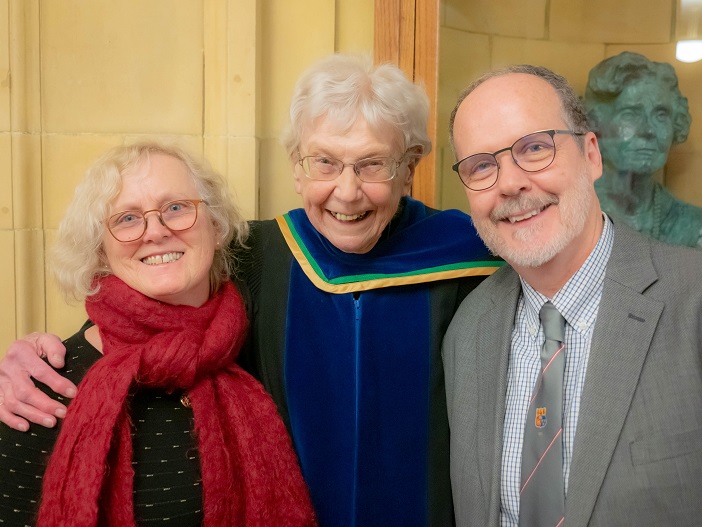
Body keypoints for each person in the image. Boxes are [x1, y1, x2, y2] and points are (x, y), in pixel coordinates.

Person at [0, 54, 502, 526]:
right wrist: (38, 360)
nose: (347, 192)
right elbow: (157, 309)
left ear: (409, 168)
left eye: (373, 164)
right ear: (296, 166)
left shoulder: (469, 258)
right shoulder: (258, 255)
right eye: (324, 162)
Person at [0, 142, 316, 526]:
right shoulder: (39, 389)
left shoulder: (264, 343)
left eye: (176, 208)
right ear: (100, 251)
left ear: (216, 227)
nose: (156, 231)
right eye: (127, 219)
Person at [444, 64, 702, 526]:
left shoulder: (693, 301)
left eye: (535, 148)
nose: (510, 183)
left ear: (591, 154)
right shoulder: (468, 330)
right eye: (482, 165)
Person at [583, 51, 702, 248]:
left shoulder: (694, 228)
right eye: (630, 114)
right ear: (595, 124)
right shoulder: (565, 217)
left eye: (661, 115)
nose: (647, 130)